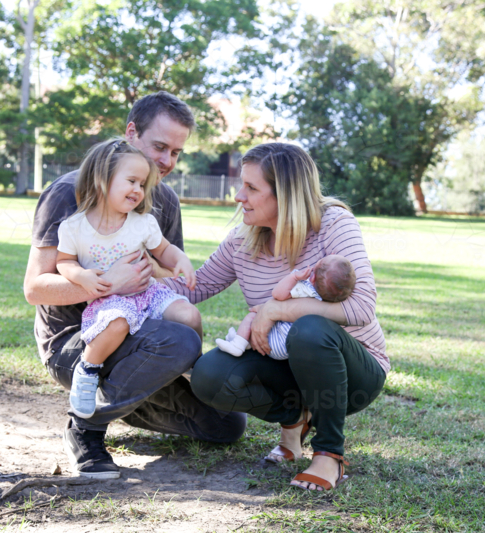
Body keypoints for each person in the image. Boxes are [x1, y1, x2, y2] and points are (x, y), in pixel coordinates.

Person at [24, 91, 246, 480]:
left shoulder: (164, 201)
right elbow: (35, 288)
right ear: (131, 133)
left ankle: (123, 397)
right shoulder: (68, 193)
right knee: (181, 341)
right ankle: (85, 427)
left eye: (176, 152)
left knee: (227, 424)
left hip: (142, 337)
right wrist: (109, 284)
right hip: (75, 342)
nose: (167, 161)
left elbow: (165, 275)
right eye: (160, 147)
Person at [163, 143, 389, 491]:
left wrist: (278, 309)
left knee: (310, 328)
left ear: (286, 195)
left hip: (353, 375)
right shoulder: (242, 240)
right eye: (242, 185)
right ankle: (295, 418)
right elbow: (194, 287)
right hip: (287, 365)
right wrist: (119, 279)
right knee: (209, 376)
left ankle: (329, 455)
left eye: (251, 188)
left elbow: (361, 308)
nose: (239, 196)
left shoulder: (333, 224)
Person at [56, 138, 200, 419]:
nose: (138, 190)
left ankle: (193, 368)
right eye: (132, 181)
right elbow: (64, 261)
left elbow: (164, 250)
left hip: (149, 292)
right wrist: (82, 276)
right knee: (117, 324)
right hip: (110, 300)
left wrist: (180, 259)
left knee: (189, 315)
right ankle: (87, 370)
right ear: (102, 179)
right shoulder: (74, 227)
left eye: (142, 184)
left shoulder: (142, 223)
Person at [215, 255, 355, 358]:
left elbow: (277, 294)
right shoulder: (327, 302)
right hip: (290, 347)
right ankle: (245, 341)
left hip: (274, 342)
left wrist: (294, 277)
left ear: (312, 278)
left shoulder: (304, 288)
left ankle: (238, 344)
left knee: (253, 316)